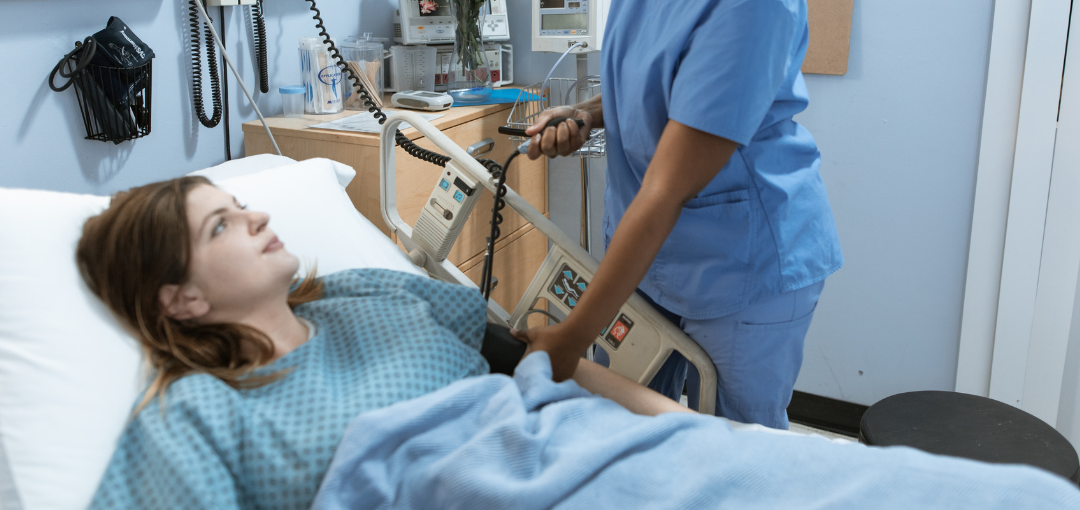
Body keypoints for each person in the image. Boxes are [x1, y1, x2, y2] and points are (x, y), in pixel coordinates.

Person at [516, 0, 843, 430]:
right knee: (651, 437)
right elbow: (664, 89)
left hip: (741, 270)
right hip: (660, 259)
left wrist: (572, 339)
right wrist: (589, 113)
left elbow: (668, 186)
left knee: (735, 452)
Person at [76, 176, 687, 510]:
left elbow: (536, 360)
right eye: (221, 226)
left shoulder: (363, 293)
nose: (257, 218)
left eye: (240, 205)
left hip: (579, 457)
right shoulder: (194, 414)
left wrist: (684, 429)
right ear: (182, 300)